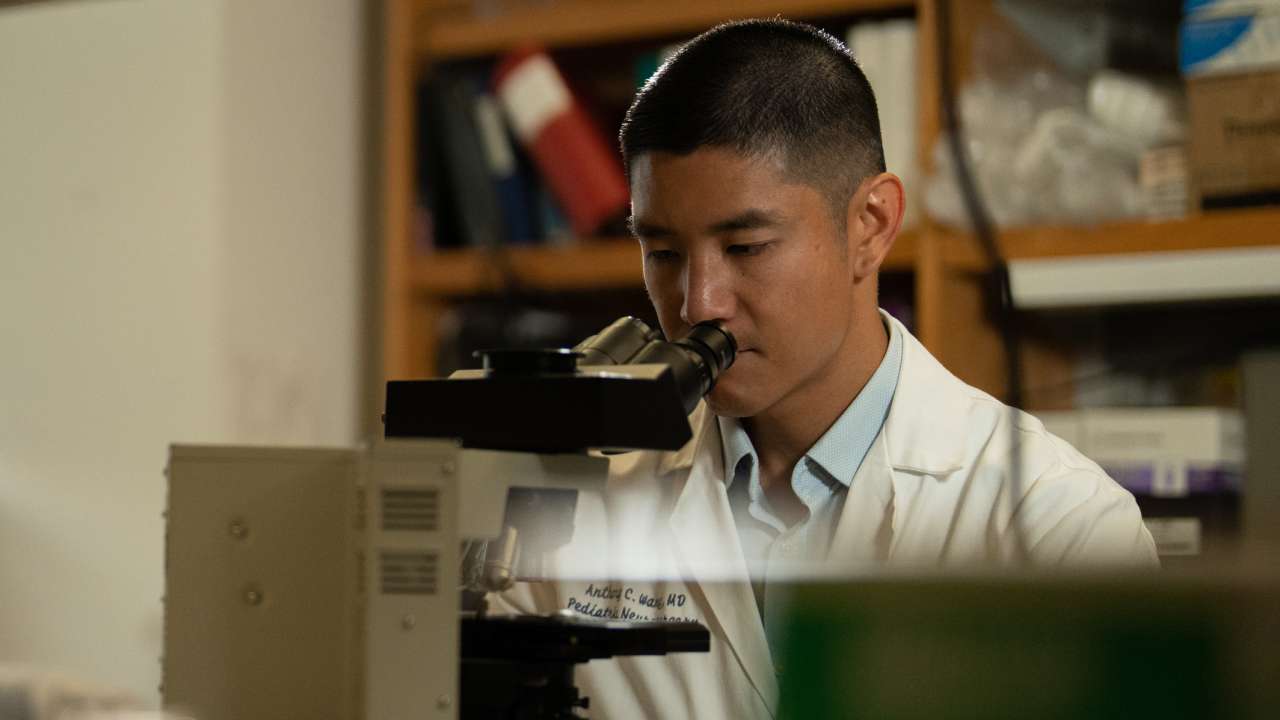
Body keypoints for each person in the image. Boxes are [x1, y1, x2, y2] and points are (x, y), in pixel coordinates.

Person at [493, 18, 1158, 719]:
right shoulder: (563, 502)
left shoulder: (1057, 524)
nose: (698, 303)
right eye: (662, 253)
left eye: (745, 247)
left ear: (870, 224)